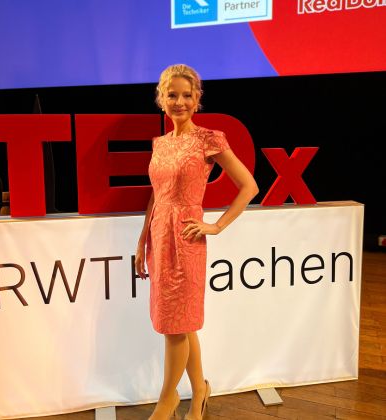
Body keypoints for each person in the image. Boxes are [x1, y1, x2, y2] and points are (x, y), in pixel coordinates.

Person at [135, 64, 259, 420]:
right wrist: (142, 241)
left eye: (187, 95)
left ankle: (167, 400)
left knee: (174, 327)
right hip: (159, 237)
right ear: (161, 99)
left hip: (186, 240)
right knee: (181, 324)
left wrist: (217, 226)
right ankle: (200, 391)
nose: (180, 102)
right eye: (172, 95)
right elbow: (156, 196)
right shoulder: (160, 144)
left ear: (197, 98)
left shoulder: (209, 139)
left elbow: (249, 186)